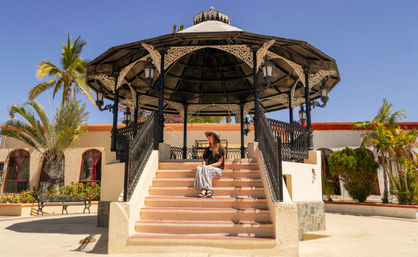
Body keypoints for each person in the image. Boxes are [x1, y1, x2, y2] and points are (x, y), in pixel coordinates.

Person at [194, 131, 225, 198]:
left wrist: (207, 166)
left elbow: (219, 163)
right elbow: (204, 160)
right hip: (207, 170)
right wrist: (203, 165)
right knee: (199, 168)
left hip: (217, 170)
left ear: (215, 137)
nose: (208, 137)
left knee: (205, 168)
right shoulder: (207, 150)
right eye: (208, 135)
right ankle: (204, 189)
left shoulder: (220, 148)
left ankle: (209, 190)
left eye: (210, 135)